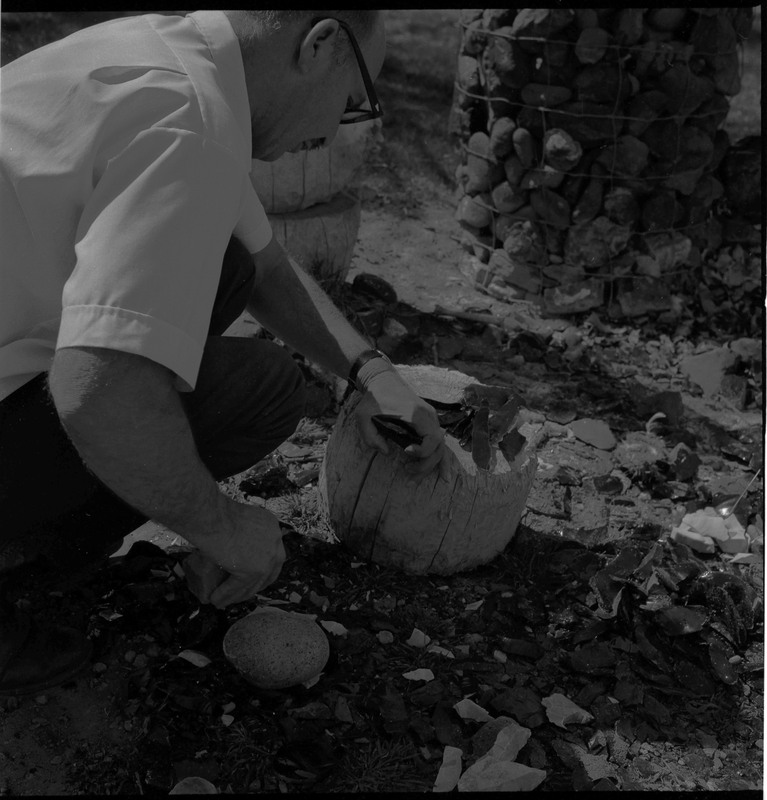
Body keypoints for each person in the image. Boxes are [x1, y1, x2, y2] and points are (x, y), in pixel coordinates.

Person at [0, 10, 447, 696]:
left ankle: (28, 547)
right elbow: (96, 391)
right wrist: (222, 527)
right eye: (351, 101)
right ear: (319, 44)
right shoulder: (189, 126)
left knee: (237, 296)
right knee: (239, 393)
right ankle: (20, 568)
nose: (334, 131)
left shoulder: (163, 57)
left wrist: (371, 374)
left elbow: (262, 265)